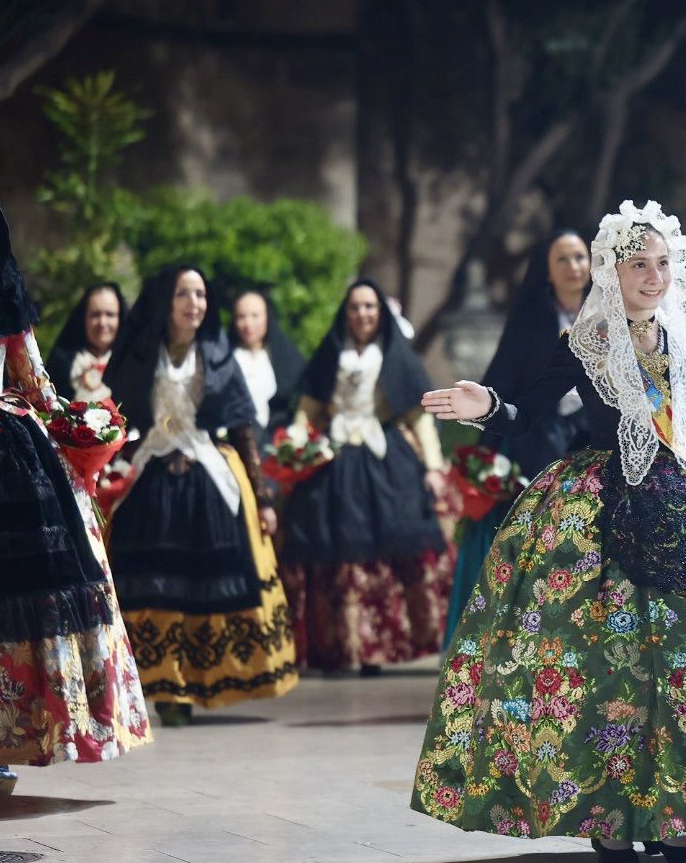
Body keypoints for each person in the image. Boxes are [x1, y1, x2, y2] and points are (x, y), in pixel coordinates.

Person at [411, 201, 686, 863]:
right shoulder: (587, 339)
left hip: (685, 503)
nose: (654, 277)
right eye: (639, 265)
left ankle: (672, 815)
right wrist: (489, 406)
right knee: (611, 666)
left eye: (663, 264)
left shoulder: (683, 338)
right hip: (603, 509)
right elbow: (528, 412)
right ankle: (610, 818)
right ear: (612, 271)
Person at [0, 197, 149, 794]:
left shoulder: (6, 301)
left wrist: (82, 426)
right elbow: (35, 384)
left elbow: (34, 381)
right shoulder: (5, 298)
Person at [102, 265, 298, 724]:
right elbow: (117, 415)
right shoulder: (142, 353)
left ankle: (201, 680)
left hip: (207, 476)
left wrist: (263, 498)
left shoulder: (217, 353)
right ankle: (163, 686)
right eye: (184, 294)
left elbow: (243, 426)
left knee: (206, 582)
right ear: (166, 302)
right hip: (152, 473)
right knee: (151, 580)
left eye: (201, 294)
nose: (195, 303)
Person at [280, 279, 452, 675]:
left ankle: (378, 646)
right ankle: (340, 645)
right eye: (355, 307)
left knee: (385, 547)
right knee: (335, 550)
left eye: (370, 307)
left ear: (381, 313)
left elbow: (418, 417)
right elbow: (308, 409)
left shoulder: (395, 355)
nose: (363, 315)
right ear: (346, 313)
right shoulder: (331, 354)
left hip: (383, 459)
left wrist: (432, 466)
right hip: (335, 460)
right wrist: (294, 447)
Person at [443, 230, 590, 646]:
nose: (573, 267)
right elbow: (505, 383)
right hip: (538, 442)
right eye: (562, 259)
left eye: (580, 257)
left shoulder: (606, 315)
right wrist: (484, 457)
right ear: (546, 269)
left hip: (590, 438)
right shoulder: (532, 320)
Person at [230, 289, 306, 442]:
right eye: (241, 317)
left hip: (277, 440)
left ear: (267, 317)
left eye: (255, 316)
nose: (248, 324)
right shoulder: (225, 358)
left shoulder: (284, 355)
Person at [45, 282, 124, 405]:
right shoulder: (61, 362)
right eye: (95, 314)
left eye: (110, 314)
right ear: (83, 318)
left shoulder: (130, 365)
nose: (102, 322)